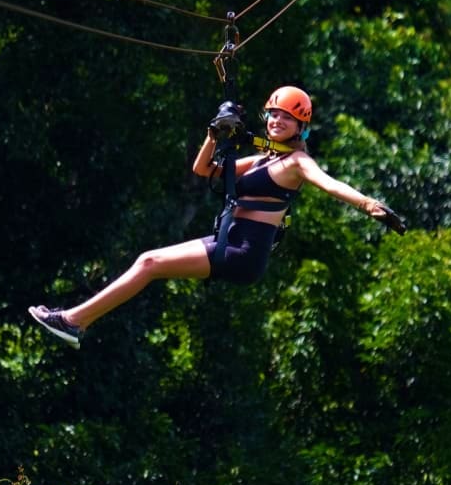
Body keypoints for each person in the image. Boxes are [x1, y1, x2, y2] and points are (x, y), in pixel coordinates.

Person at [28, 86, 403, 349]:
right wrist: (214, 133)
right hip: (228, 240)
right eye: (273, 114)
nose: (277, 121)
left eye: (287, 118)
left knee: (149, 263)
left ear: (300, 126)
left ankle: (74, 321)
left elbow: (330, 184)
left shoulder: (297, 162)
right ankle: (74, 321)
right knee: (148, 261)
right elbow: (203, 169)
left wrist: (368, 205)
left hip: (244, 252)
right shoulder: (262, 159)